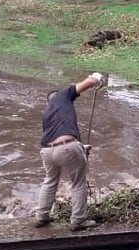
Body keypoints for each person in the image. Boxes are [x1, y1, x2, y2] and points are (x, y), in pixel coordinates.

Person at [34, 72, 104, 232]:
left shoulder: (47, 114)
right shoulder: (63, 96)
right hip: (67, 148)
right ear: (58, 96)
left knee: (50, 181)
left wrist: (80, 147)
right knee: (78, 184)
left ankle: (41, 217)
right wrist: (96, 77)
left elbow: (59, 142)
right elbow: (88, 83)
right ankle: (78, 221)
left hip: (47, 151)